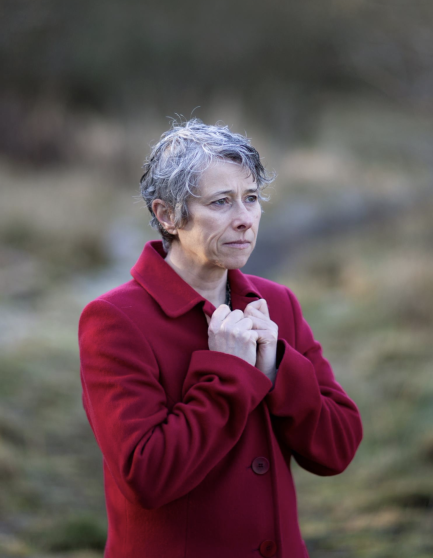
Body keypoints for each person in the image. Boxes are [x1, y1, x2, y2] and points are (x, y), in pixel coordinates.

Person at [78, 119, 363, 558]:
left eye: (251, 199)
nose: (245, 219)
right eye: (221, 202)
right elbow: (147, 475)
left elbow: (337, 447)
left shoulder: (277, 304)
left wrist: (276, 368)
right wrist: (228, 375)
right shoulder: (115, 320)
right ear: (167, 215)